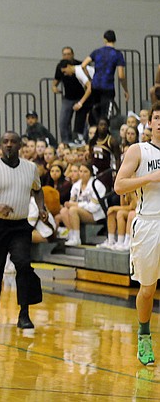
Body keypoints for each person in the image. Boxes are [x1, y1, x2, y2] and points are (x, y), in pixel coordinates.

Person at [0, 131, 47, 329]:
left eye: (13, 142)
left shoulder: (30, 168)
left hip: (20, 226)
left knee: (23, 265)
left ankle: (24, 314)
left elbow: (38, 190)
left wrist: (41, 208)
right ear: (1, 145)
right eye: (5, 142)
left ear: (20, 146)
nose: (9, 145)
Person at [113, 102, 160, 366]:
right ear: (150, 123)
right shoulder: (138, 150)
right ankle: (144, 336)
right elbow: (119, 185)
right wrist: (150, 178)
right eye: (156, 117)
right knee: (147, 288)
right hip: (149, 224)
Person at [81, 30, 128, 124]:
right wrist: (125, 89)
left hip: (95, 85)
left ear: (104, 39)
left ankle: (94, 132)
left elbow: (83, 65)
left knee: (95, 112)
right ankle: (104, 133)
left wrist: (90, 78)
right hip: (108, 87)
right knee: (105, 115)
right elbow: (121, 75)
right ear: (115, 40)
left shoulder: (97, 52)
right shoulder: (117, 54)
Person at [58, 60, 94, 143]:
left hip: (99, 90)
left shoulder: (79, 71)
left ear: (68, 66)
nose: (65, 74)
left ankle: (80, 135)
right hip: (96, 89)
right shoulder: (78, 72)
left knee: (82, 108)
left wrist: (80, 103)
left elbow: (89, 87)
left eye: (65, 71)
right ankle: (79, 134)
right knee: (83, 109)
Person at [52, 46, 82, 143]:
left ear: (72, 55)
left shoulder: (79, 65)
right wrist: (54, 87)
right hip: (68, 98)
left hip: (81, 97)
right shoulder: (60, 66)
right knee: (63, 122)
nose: (66, 56)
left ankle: (80, 141)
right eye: (64, 54)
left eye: (68, 54)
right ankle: (66, 142)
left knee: (82, 122)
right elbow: (55, 81)